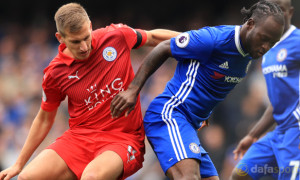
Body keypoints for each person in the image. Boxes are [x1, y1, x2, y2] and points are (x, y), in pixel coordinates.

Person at [0, 3, 180, 180]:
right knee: (26, 177)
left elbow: (153, 37)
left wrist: (204, 41)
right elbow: (45, 118)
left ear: (91, 26)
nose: (84, 47)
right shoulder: (55, 73)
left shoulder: (115, 36)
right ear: (60, 38)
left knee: (91, 177)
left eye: (86, 37)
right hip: (79, 138)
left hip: (123, 138)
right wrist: (19, 163)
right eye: (75, 42)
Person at [110, 1, 284, 179]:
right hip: (170, 114)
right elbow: (163, 47)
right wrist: (133, 89)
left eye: (272, 42)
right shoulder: (215, 39)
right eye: (264, 38)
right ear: (251, 24)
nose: (266, 47)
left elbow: (210, 82)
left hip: (189, 125)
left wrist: (203, 113)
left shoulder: (249, 53)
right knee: (189, 177)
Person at [231, 0, 300, 179]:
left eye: (282, 10)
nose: (277, 16)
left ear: (290, 12)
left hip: (296, 133)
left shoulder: (297, 41)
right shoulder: (268, 50)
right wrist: (253, 134)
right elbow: (277, 103)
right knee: (240, 174)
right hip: (278, 132)